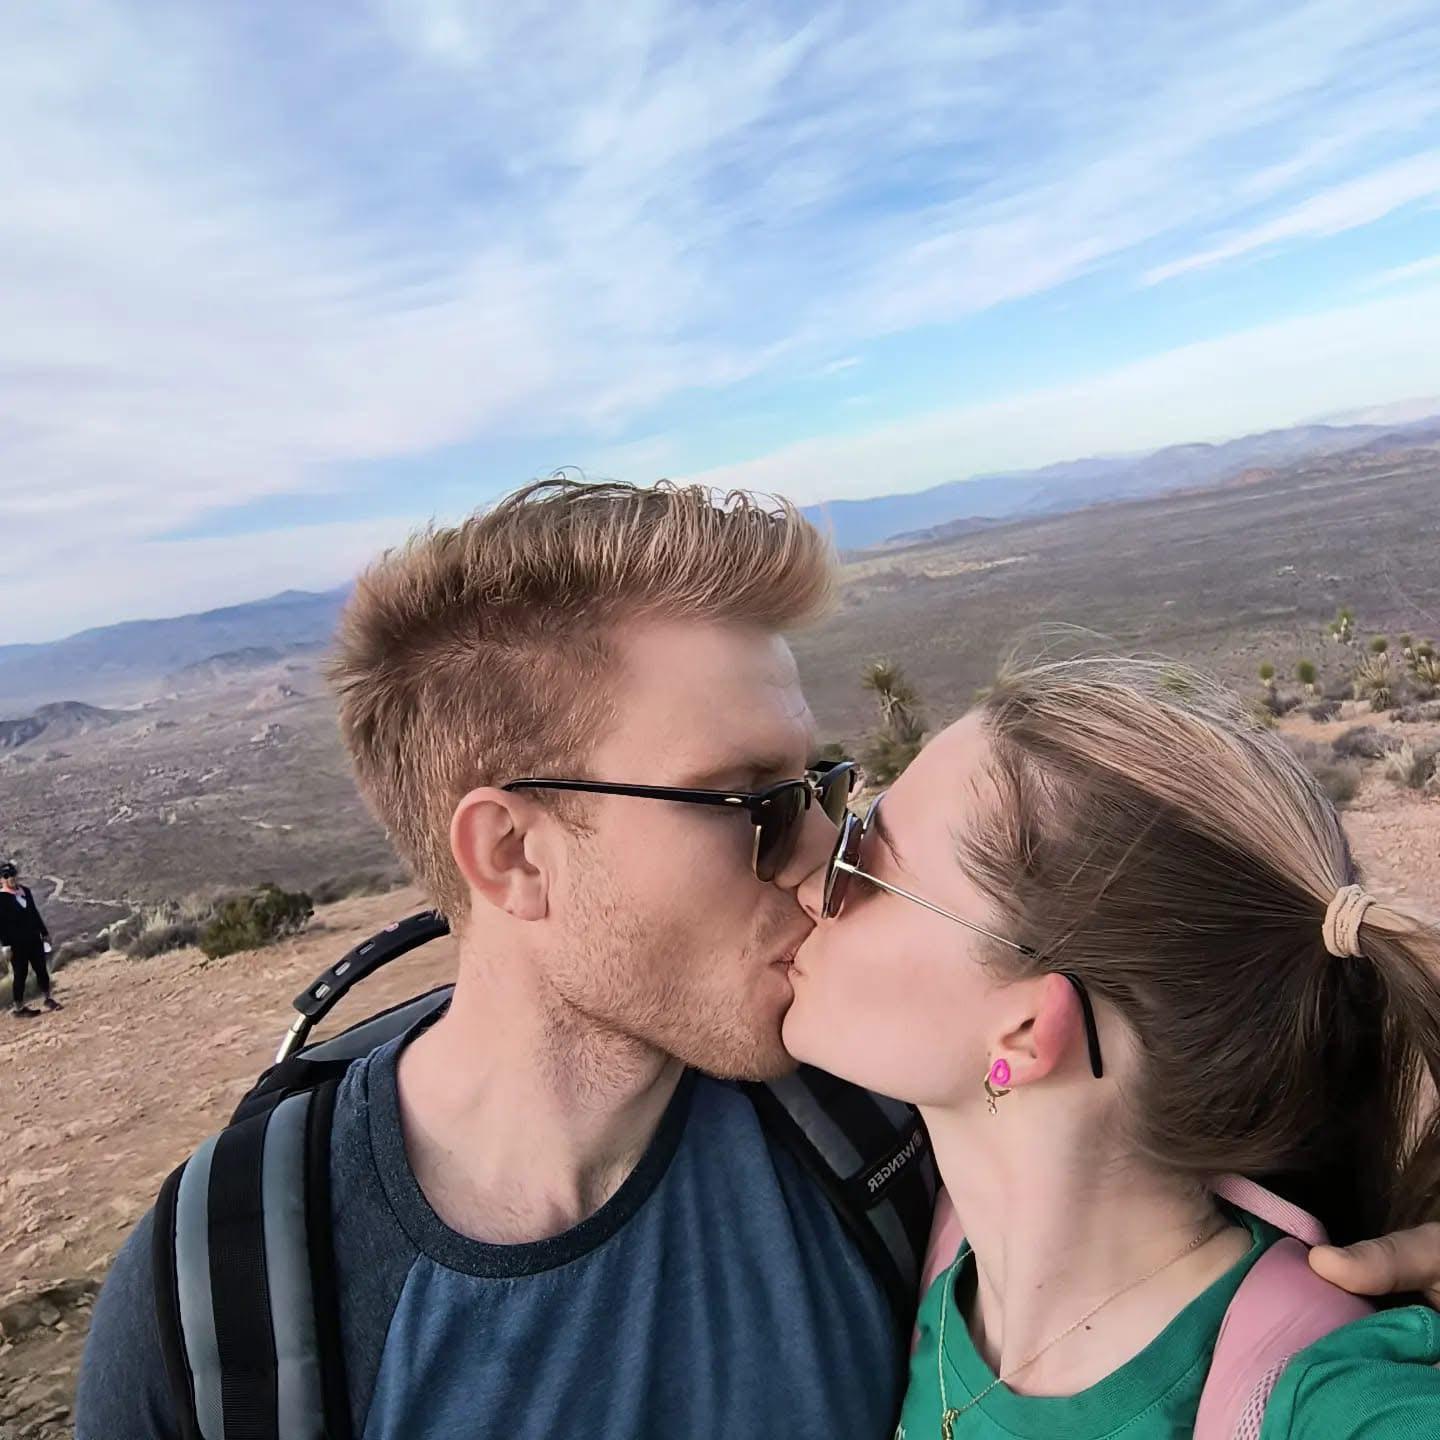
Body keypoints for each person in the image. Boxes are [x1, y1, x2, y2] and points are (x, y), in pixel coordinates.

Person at [77, 482, 1440, 1439]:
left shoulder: (879, 1127)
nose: (819, 859)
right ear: (514, 856)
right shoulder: (236, 1299)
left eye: (826, 788)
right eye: (750, 803)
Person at [782, 656, 1440, 1438]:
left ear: (1027, 1032)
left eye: (863, 861)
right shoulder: (953, 1255)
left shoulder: (1327, 1401)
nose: (809, 886)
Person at [0, 861, 60, 1018]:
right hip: (16, 944)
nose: (11, 878)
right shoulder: (1, 898)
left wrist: (44, 933)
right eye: (6, 876)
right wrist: (5, 946)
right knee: (21, 974)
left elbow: (34, 913)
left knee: (41, 969)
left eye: (12, 874)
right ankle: (19, 1008)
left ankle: (48, 998)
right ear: (1, 879)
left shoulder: (25, 891)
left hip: (33, 938)